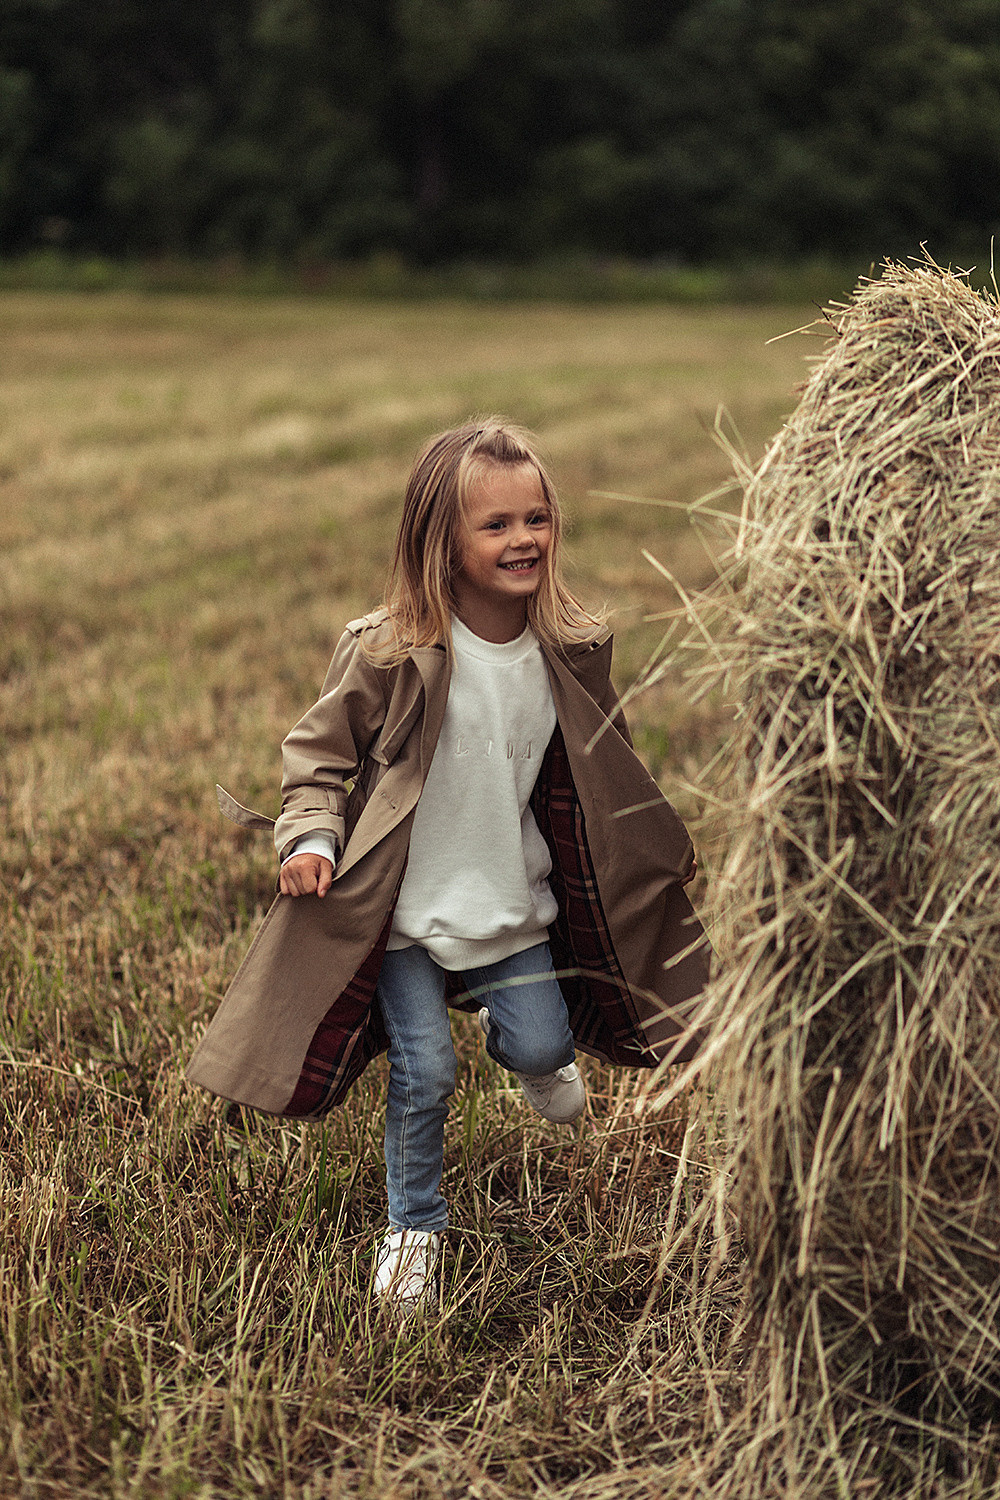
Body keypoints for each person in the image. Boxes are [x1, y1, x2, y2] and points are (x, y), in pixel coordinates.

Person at [187, 418, 709, 1308]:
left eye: (536, 519)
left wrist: (643, 848)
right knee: (425, 1072)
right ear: (442, 541)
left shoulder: (571, 649)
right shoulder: (389, 651)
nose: (523, 540)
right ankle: (413, 1230)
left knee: (543, 1040)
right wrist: (310, 838)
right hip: (402, 912)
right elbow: (318, 755)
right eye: (496, 525)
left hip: (510, 901)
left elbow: (603, 758)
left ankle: (538, 1056)